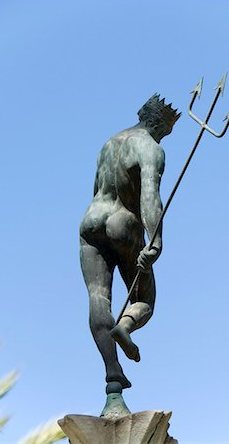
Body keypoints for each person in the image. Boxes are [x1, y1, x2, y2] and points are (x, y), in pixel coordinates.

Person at [80, 94, 181, 393]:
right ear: (157, 123)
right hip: (122, 224)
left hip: (91, 221)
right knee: (145, 301)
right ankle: (124, 326)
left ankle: (113, 372)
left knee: (98, 297)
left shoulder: (109, 143)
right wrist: (156, 240)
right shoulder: (150, 147)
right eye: (165, 130)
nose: (164, 136)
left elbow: (97, 187)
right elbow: (149, 195)